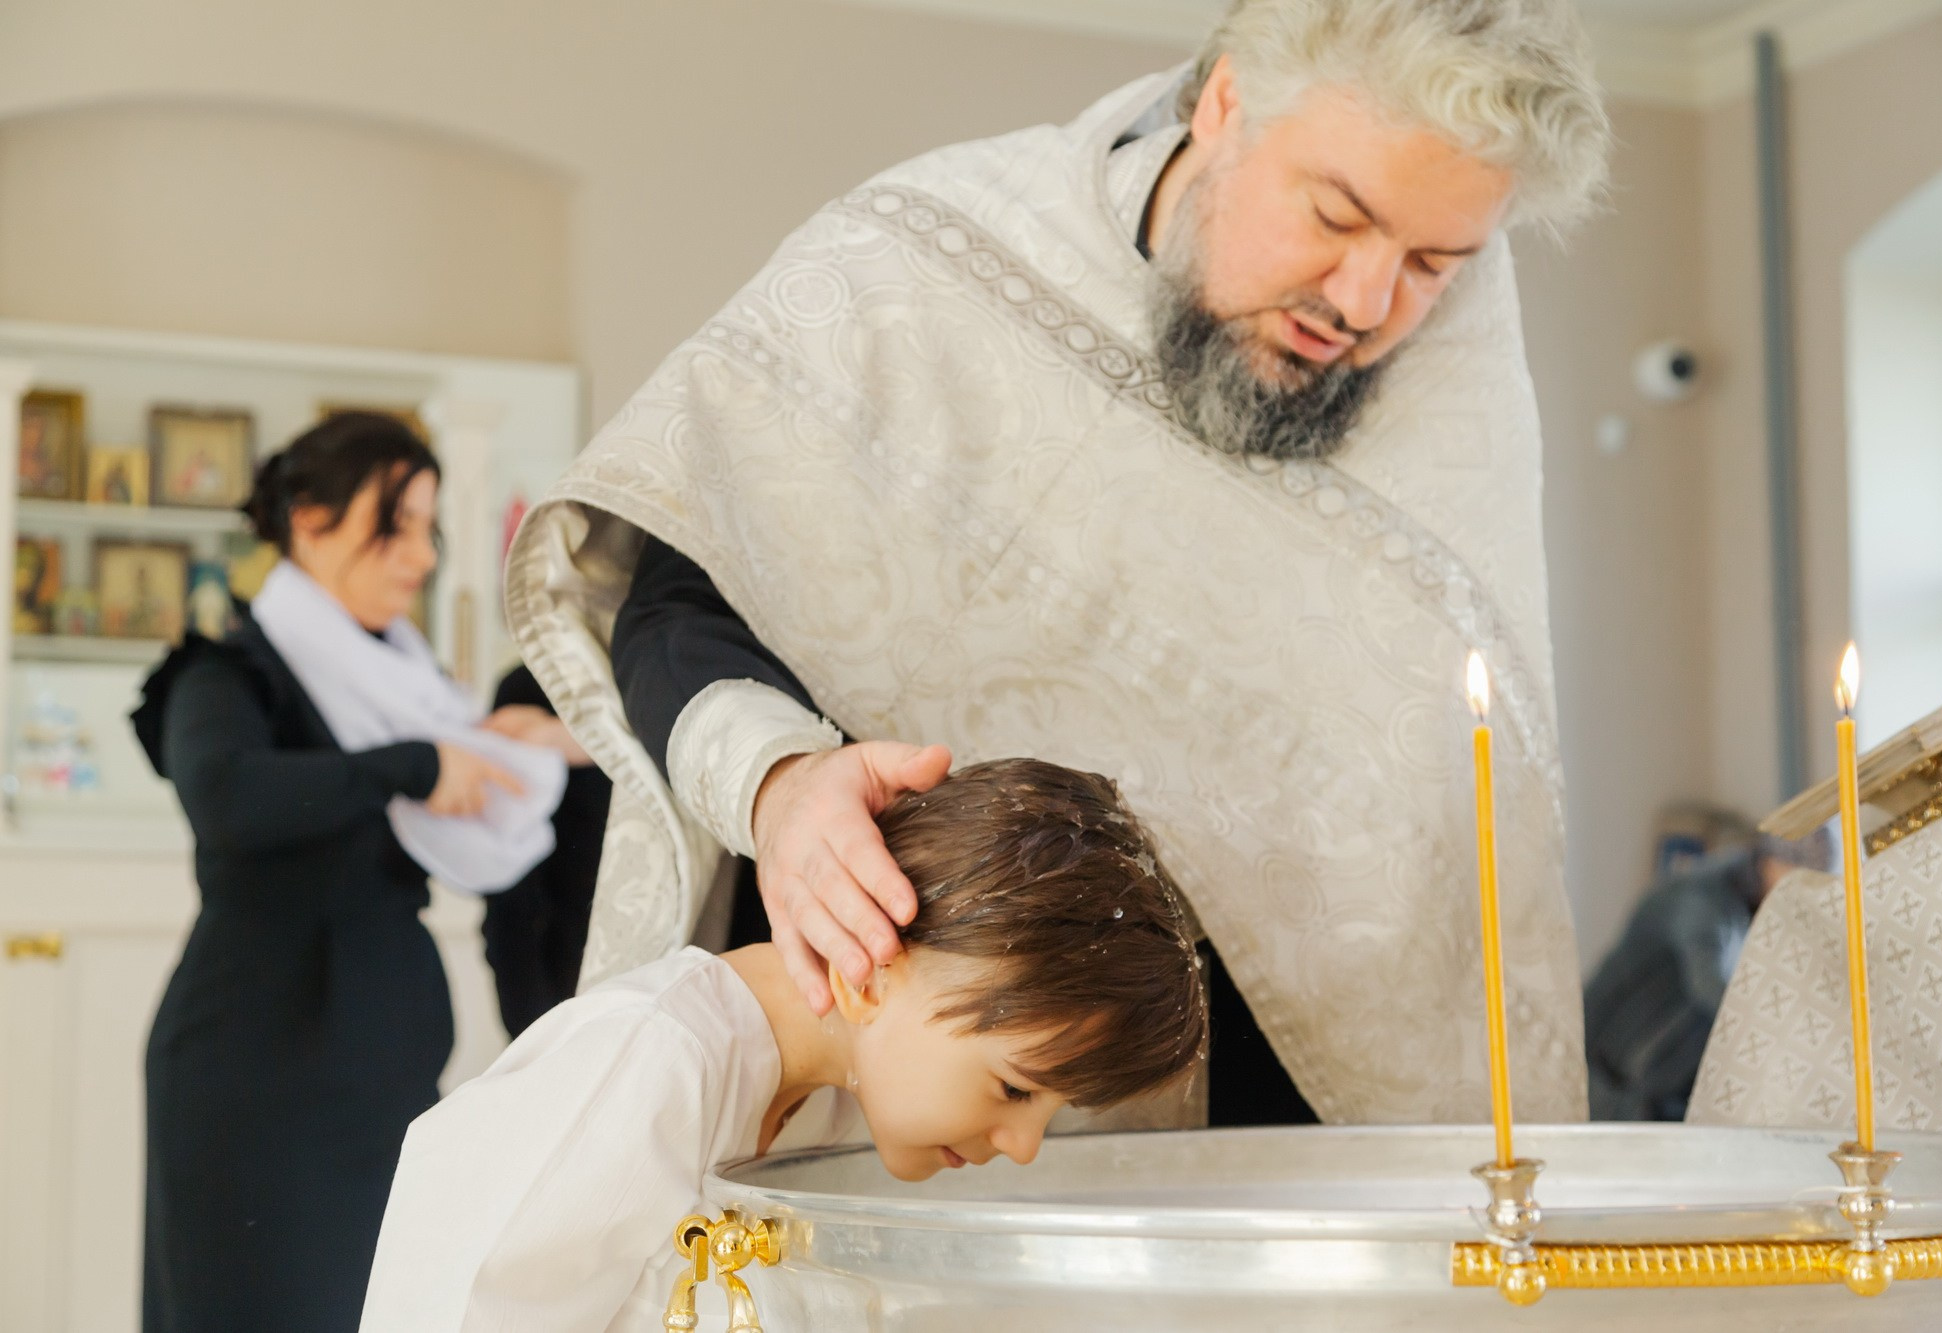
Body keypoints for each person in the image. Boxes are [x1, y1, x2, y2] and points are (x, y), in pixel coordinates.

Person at [507, 0, 1611, 1128]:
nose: (1365, 302)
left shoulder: (1457, 406)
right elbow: (677, 593)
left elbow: (1432, 845)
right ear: (1225, 100)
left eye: (1435, 263)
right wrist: (782, 788)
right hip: (875, 1079)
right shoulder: (925, 255)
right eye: (1335, 214)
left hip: (1233, 1146)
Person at [357, 758, 1207, 1331]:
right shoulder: (651, 1059)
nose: (1021, 1148)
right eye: (1017, 1090)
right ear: (869, 965)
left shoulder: (830, 1116)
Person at [131, 412, 568, 1333]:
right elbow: (229, 795)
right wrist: (413, 764)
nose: (418, 557)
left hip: (377, 1094)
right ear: (309, 519)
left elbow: (468, 761)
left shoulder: (408, 690)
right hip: (253, 1090)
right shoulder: (228, 673)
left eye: (428, 529)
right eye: (392, 524)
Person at [1585, 828, 1835, 1122]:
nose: (1799, 899)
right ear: (1772, 862)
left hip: (1651, 1068)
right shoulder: (1702, 899)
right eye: (1797, 882)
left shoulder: (1749, 896)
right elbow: (1711, 987)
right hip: (1614, 1063)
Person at [480, 662, 613, 1037]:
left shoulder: (683, 664)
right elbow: (510, 871)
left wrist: (572, 739)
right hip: (554, 963)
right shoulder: (530, 685)